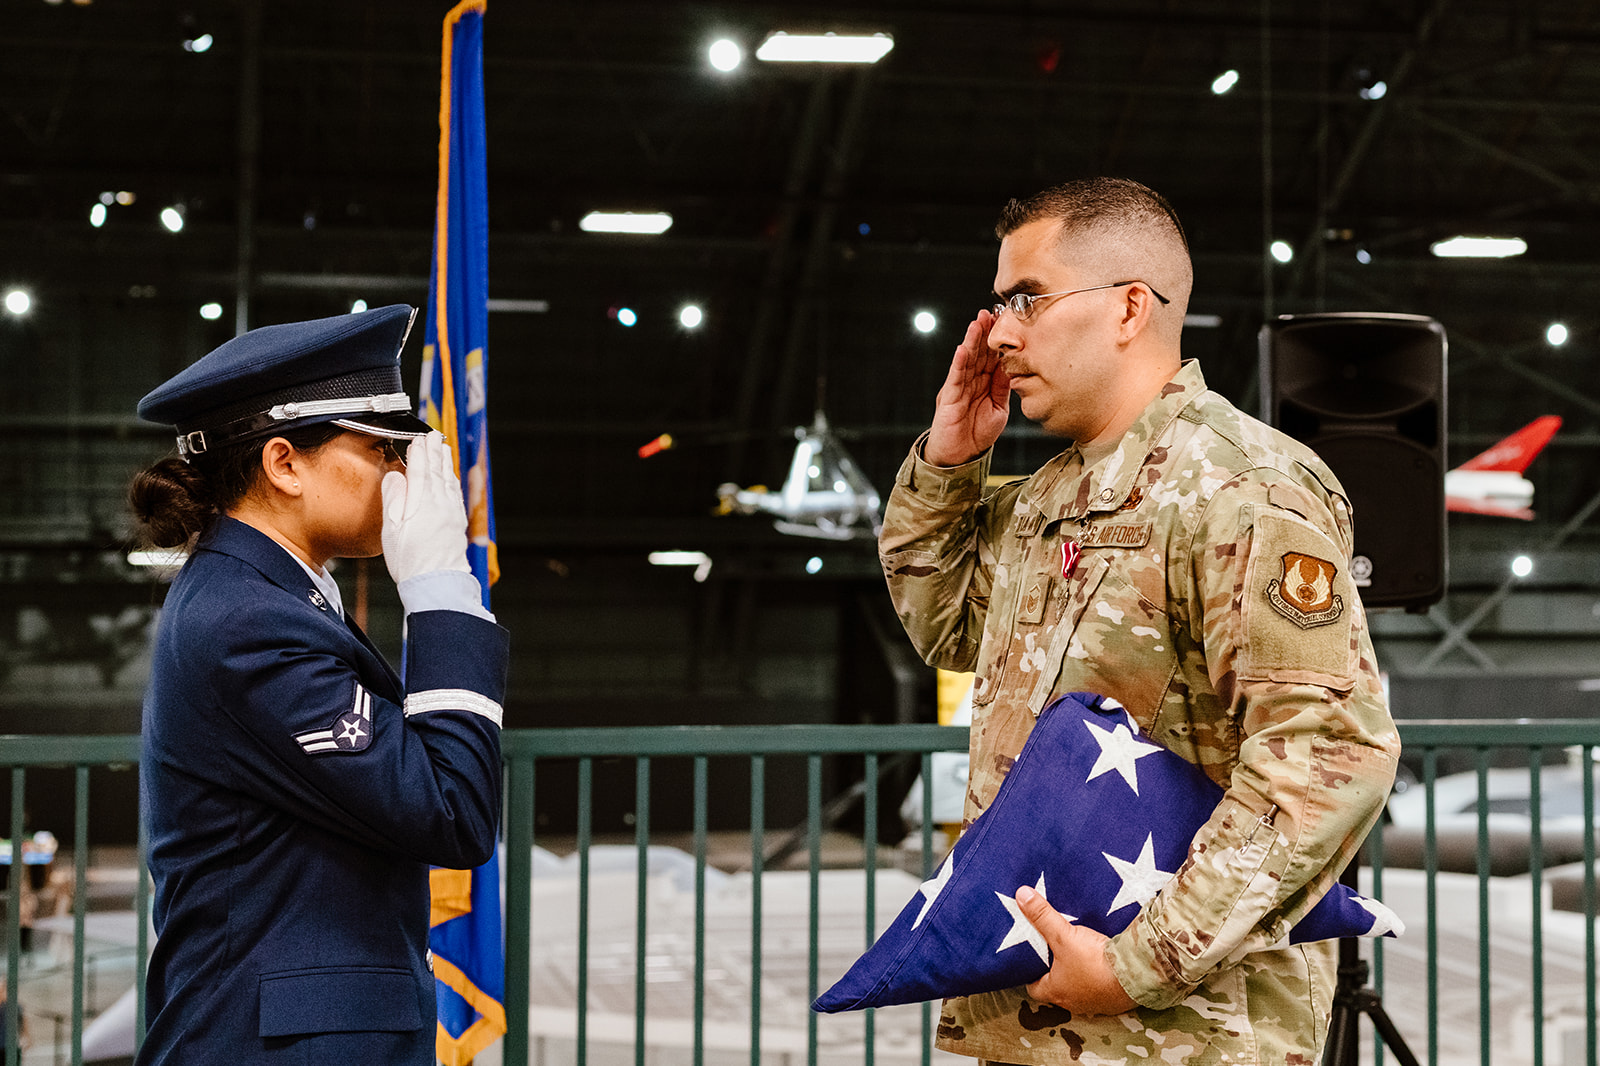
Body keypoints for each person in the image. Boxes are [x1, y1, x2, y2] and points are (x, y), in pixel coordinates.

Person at [879, 179, 1400, 1065]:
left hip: (1186, 1031)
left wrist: (1133, 966)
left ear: (1129, 308)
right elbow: (948, 629)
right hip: (1036, 1012)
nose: (1000, 333)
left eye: (1026, 299)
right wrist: (948, 461)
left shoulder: (1240, 486)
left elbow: (1329, 750)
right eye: (999, 304)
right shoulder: (1047, 499)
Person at [127, 304, 508, 1065]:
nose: (402, 474)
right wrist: (439, 589)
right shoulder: (249, 622)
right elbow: (453, 811)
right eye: (379, 449)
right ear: (284, 464)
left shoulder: (266, 599)